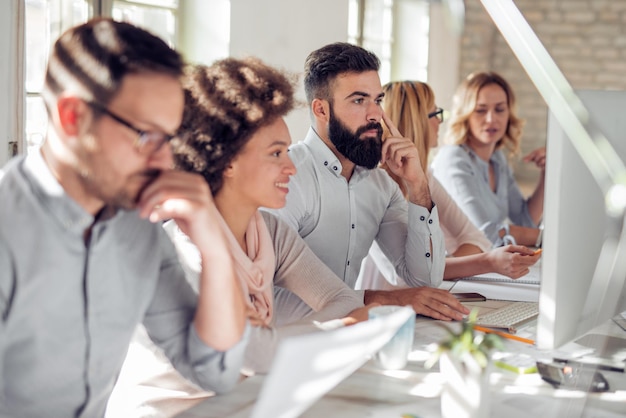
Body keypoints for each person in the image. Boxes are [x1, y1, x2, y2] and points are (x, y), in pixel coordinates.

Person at [0, 18, 249, 417]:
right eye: (146, 136)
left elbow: (213, 370)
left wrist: (215, 247)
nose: (165, 161)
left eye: (168, 139)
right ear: (72, 117)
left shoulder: (138, 227)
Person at [107, 58, 374, 417]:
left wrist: (293, 335)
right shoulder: (186, 253)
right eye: (276, 153)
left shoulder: (270, 231)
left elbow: (339, 297)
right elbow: (253, 355)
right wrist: (337, 328)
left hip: (237, 404)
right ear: (228, 162)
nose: (291, 167)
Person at [266, 42, 469, 321]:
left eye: (378, 100)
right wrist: (383, 299)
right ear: (321, 110)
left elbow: (424, 277)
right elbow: (266, 297)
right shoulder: (287, 178)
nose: (375, 115)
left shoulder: (381, 185)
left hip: (349, 336)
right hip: (287, 345)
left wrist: (418, 186)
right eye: (359, 100)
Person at [358, 80, 540, 290]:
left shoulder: (424, 174)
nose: (440, 122)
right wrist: (470, 264)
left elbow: (476, 239)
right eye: (435, 115)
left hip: (423, 300)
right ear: (418, 121)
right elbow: (401, 276)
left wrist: (436, 267)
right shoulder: (374, 180)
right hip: (384, 312)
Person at [431, 71, 545, 247]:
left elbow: (524, 221)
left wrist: (548, 172)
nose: (491, 119)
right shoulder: (453, 159)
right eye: (480, 110)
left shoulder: (497, 159)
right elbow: (483, 234)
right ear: (465, 114)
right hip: (451, 269)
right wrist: (546, 239)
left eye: (499, 109)